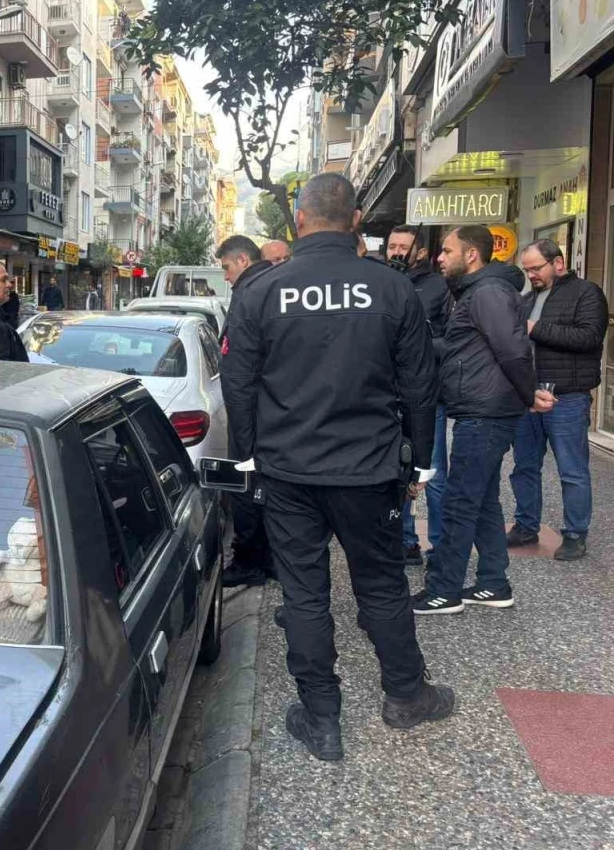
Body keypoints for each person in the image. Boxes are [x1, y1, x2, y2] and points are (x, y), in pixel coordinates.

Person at [222, 173, 452, 762]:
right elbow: (420, 385)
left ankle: (322, 719)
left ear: (298, 220)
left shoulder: (261, 289)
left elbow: (238, 382)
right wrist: (421, 463)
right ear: (356, 221)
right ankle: (406, 695)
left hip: (288, 471)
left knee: (304, 593)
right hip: (369, 469)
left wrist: (248, 457)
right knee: (382, 585)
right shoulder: (392, 288)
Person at [414, 225, 554, 615]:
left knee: (460, 501)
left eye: (447, 251)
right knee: (484, 502)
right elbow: (464, 346)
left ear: (471, 254)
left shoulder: (488, 292)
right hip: (481, 410)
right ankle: (494, 583)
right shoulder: (475, 291)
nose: (439, 258)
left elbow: (513, 350)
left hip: (485, 414)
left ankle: (444, 589)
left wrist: (529, 393)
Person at [508, 239, 609, 561]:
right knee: (524, 466)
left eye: (536, 269)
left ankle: (575, 534)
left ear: (558, 263)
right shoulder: (526, 299)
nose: (531, 275)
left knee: (572, 470)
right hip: (528, 396)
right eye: (527, 270)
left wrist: (535, 328)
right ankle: (526, 526)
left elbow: (589, 337)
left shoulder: (586, 293)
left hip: (567, 397)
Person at [386, 226, 452, 566]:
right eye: (392, 246)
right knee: (396, 472)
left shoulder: (438, 286)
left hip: (426, 396)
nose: (397, 252)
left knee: (431, 473)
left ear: (421, 252)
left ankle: (440, 547)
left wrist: (418, 344)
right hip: (388, 395)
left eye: (404, 246)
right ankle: (405, 542)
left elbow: (452, 338)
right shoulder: (381, 282)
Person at [215, 235, 275, 588]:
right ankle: (269, 560)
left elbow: (237, 375)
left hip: (252, 416)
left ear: (243, 260)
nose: (225, 276)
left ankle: (249, 563)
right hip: (272, 412)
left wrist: (244, 441)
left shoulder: (249, 293)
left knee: (247, 490)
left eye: (226, 268)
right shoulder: (274, 285)